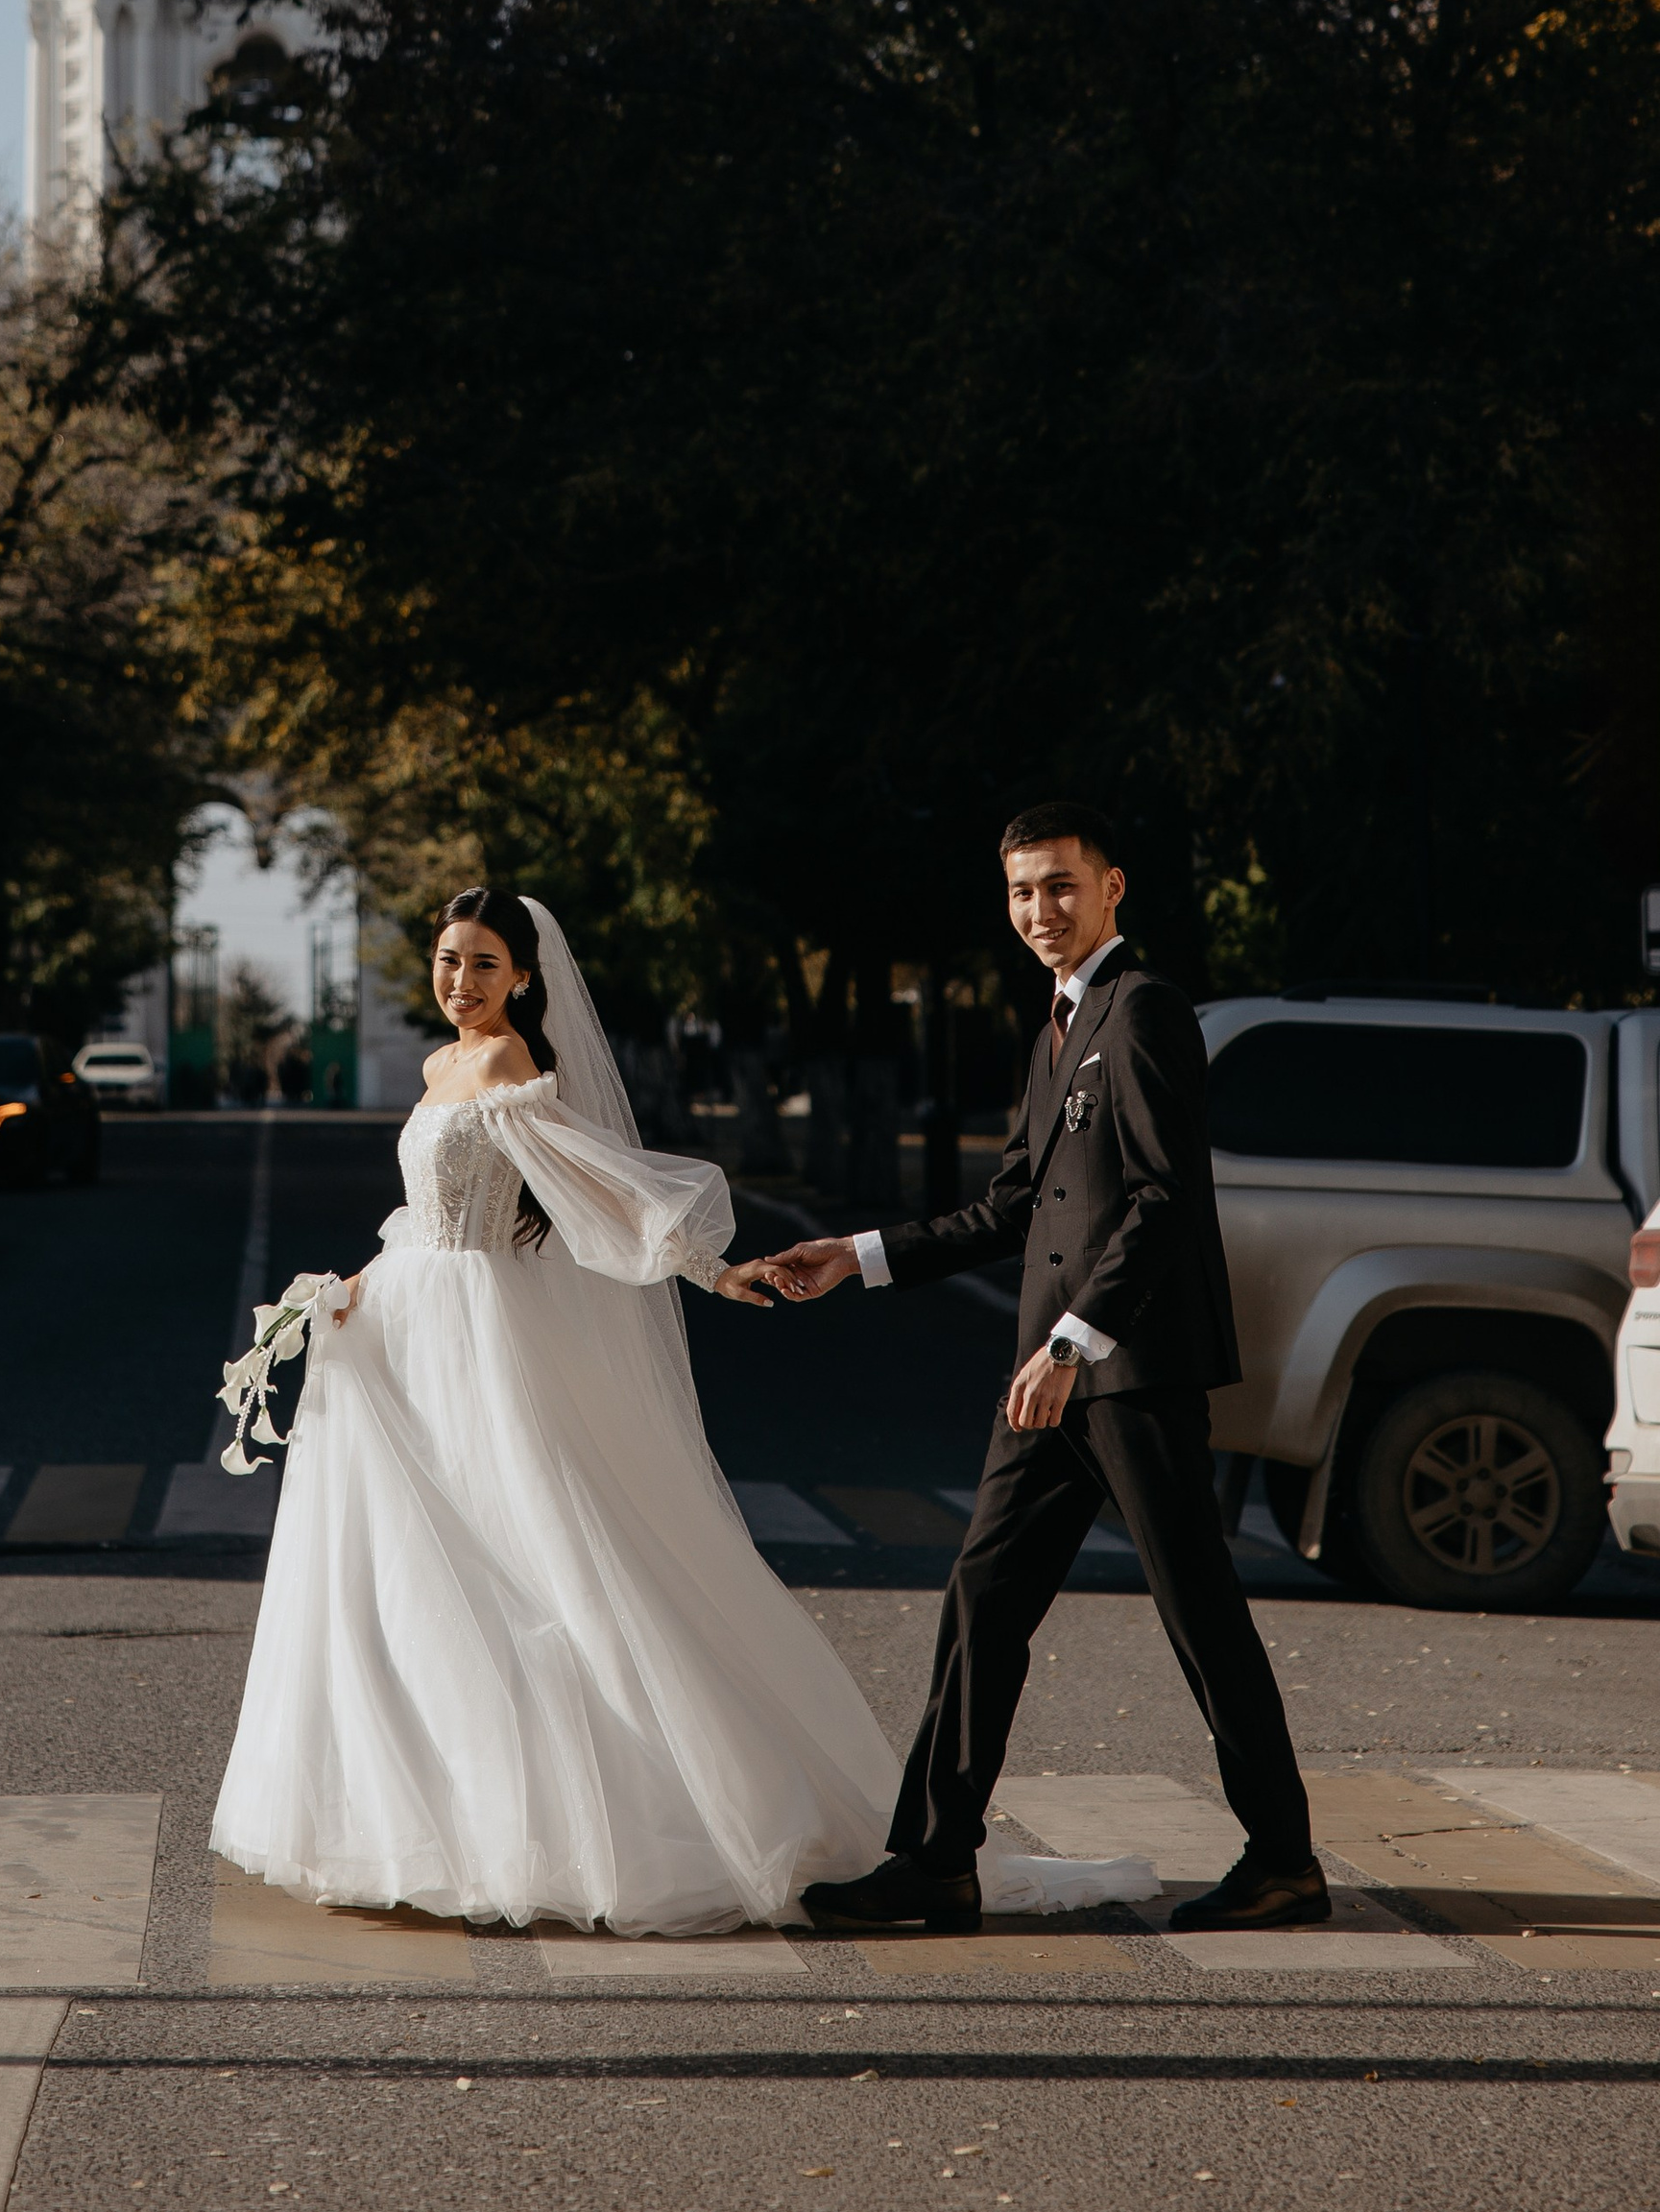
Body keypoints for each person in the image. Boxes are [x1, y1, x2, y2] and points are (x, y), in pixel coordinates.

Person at [210, 885, 1141, 1938]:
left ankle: (601, 1819)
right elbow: (419, 1222)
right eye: (446, 959)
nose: (459, 981)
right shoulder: (435, 1068)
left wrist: (709, 1267)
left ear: (523, 976)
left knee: (540, 1559)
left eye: (480, 964)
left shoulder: (514, 1066)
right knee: (412, 1573)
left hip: (481, 1337)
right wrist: (347, 1293)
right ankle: (420, 1817)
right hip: (408, 1327)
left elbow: (602, 1192)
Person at [763, 804, 1328, 1935]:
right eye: (1022, 892)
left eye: (1060, 887)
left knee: (1199, 1612)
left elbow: (1165, 1199)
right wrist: (859, 1255)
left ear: (1113, 886)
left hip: (1123, 1369)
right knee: (983, 1596)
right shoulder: (1057, 1024)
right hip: (1052, 1376)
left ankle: (1283, 1860)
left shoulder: (1144, 1008)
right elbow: (1013, 1203)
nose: (1039, 911)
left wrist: (1075, 1342)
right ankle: (934, 1859)